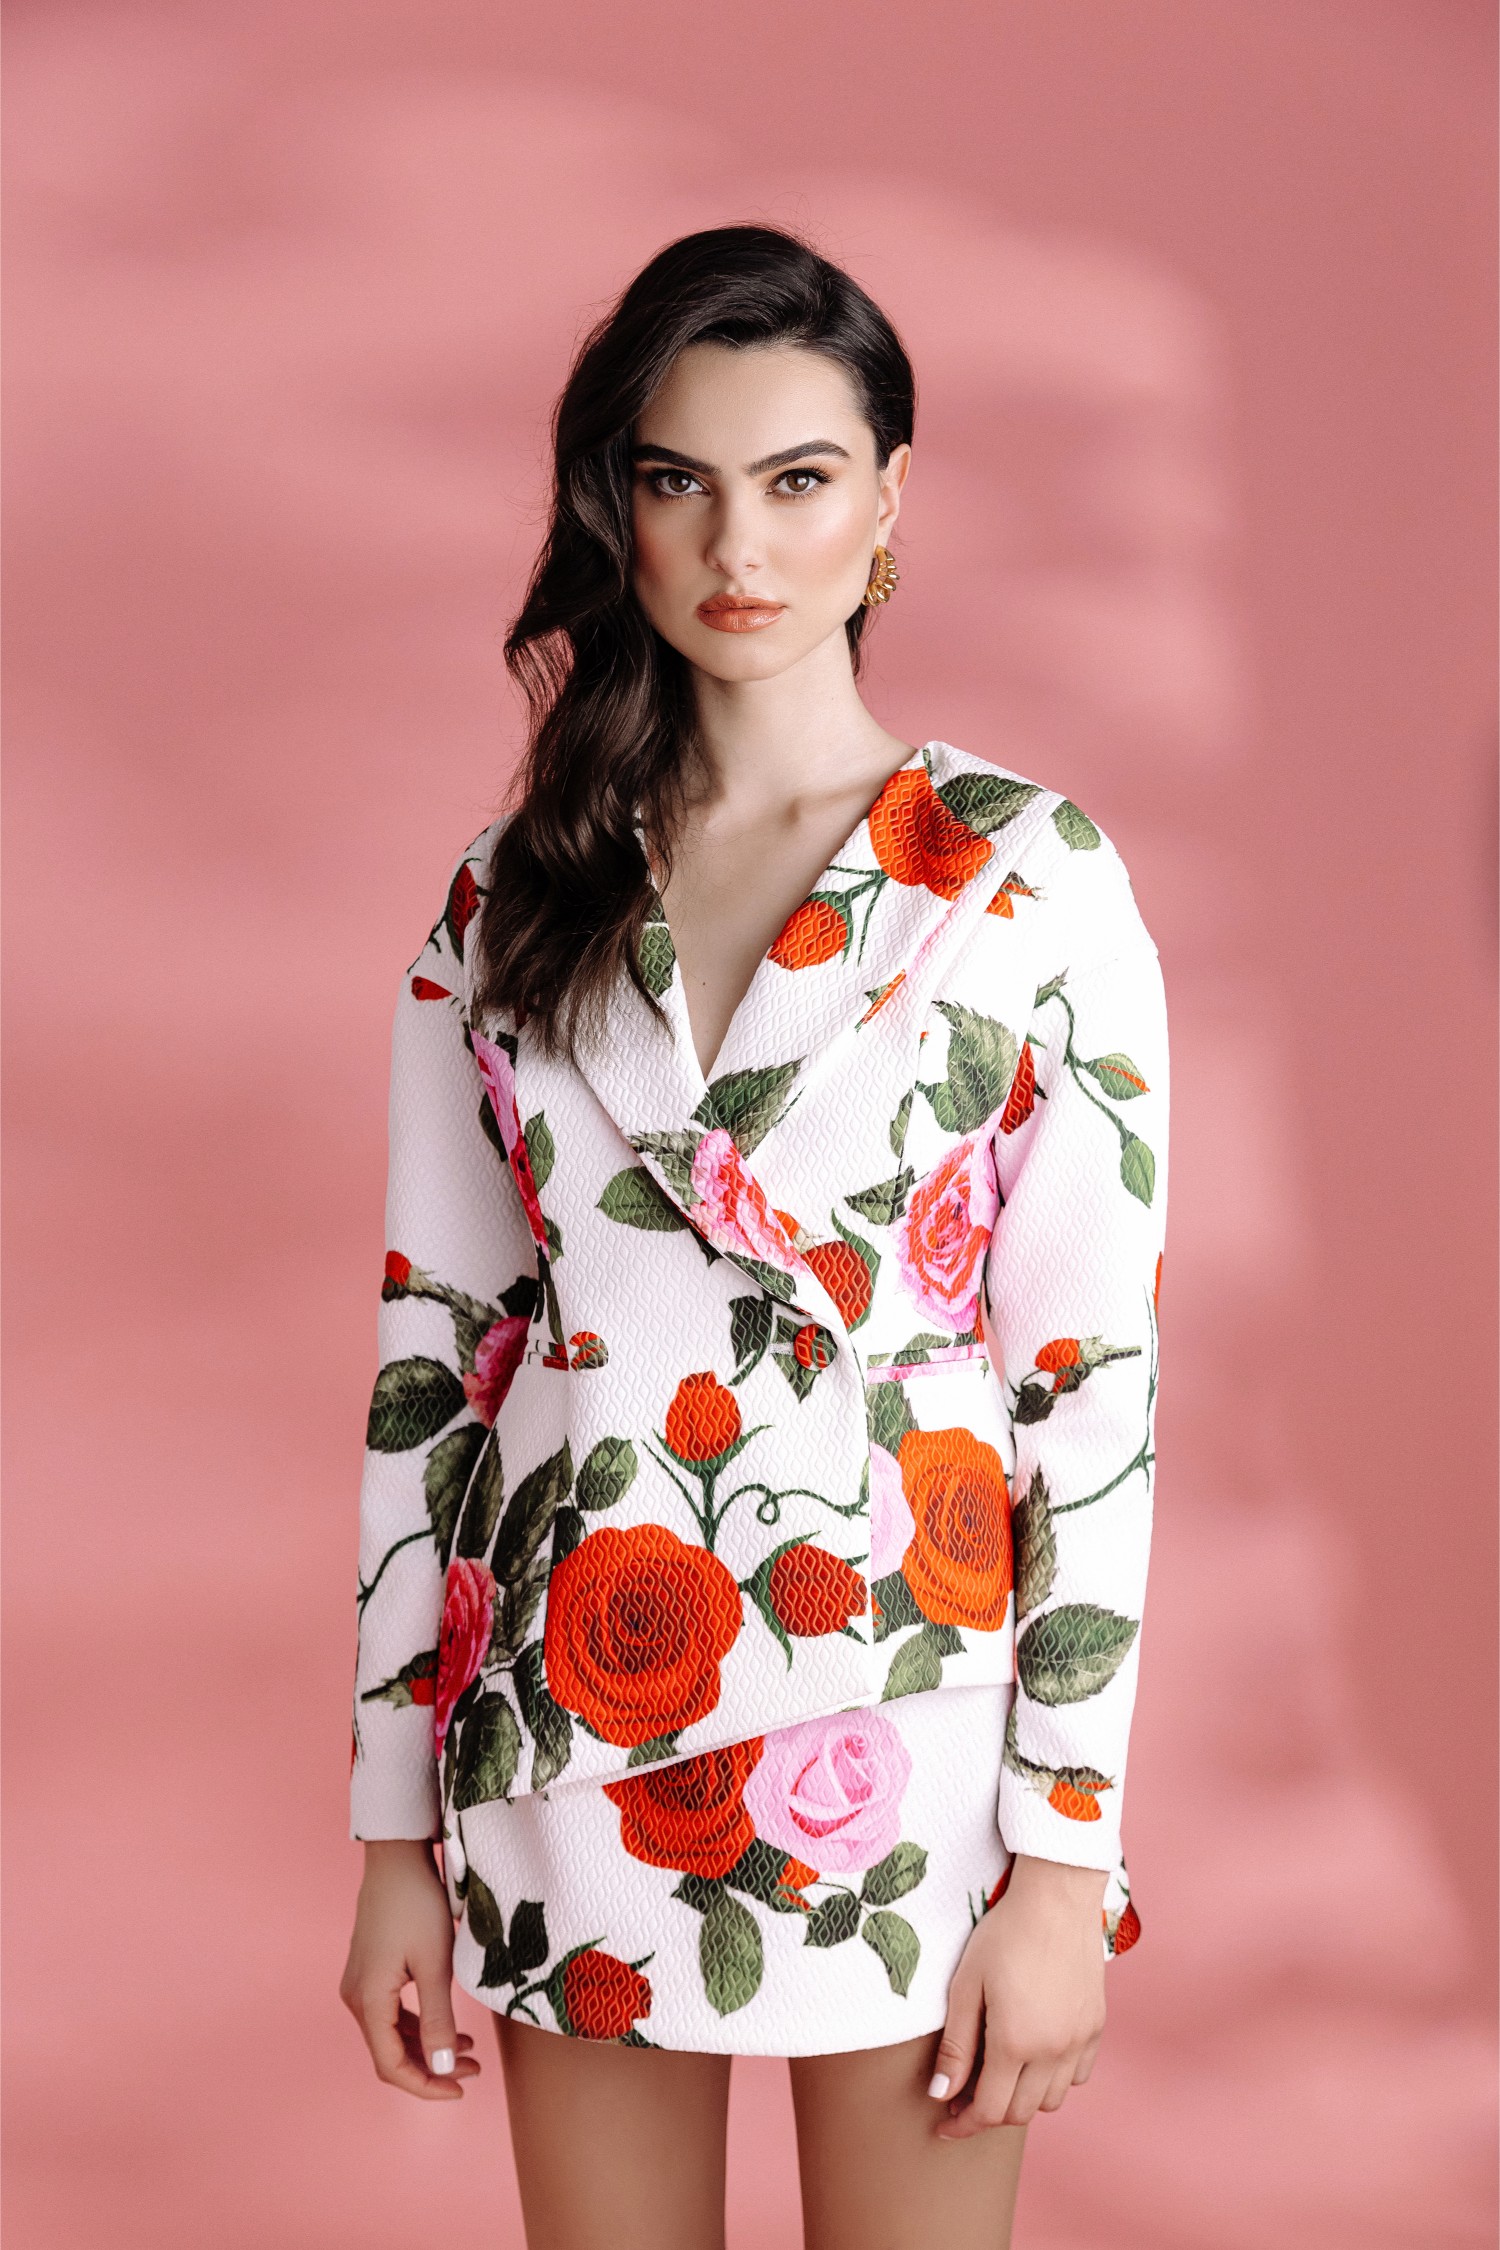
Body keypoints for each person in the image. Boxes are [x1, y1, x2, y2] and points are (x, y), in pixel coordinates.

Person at [339, 223, 1168, 2250]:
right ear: (612, 505)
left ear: (891, 499)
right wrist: (389, 1836)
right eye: (677, 479)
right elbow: (435, 1363)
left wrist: (1068, 1858)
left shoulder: (1025, 878)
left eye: (799, 478)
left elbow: (1090, 1382)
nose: (739, 544)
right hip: (561, 1725)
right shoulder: (509, 899)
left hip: (911, 1724)